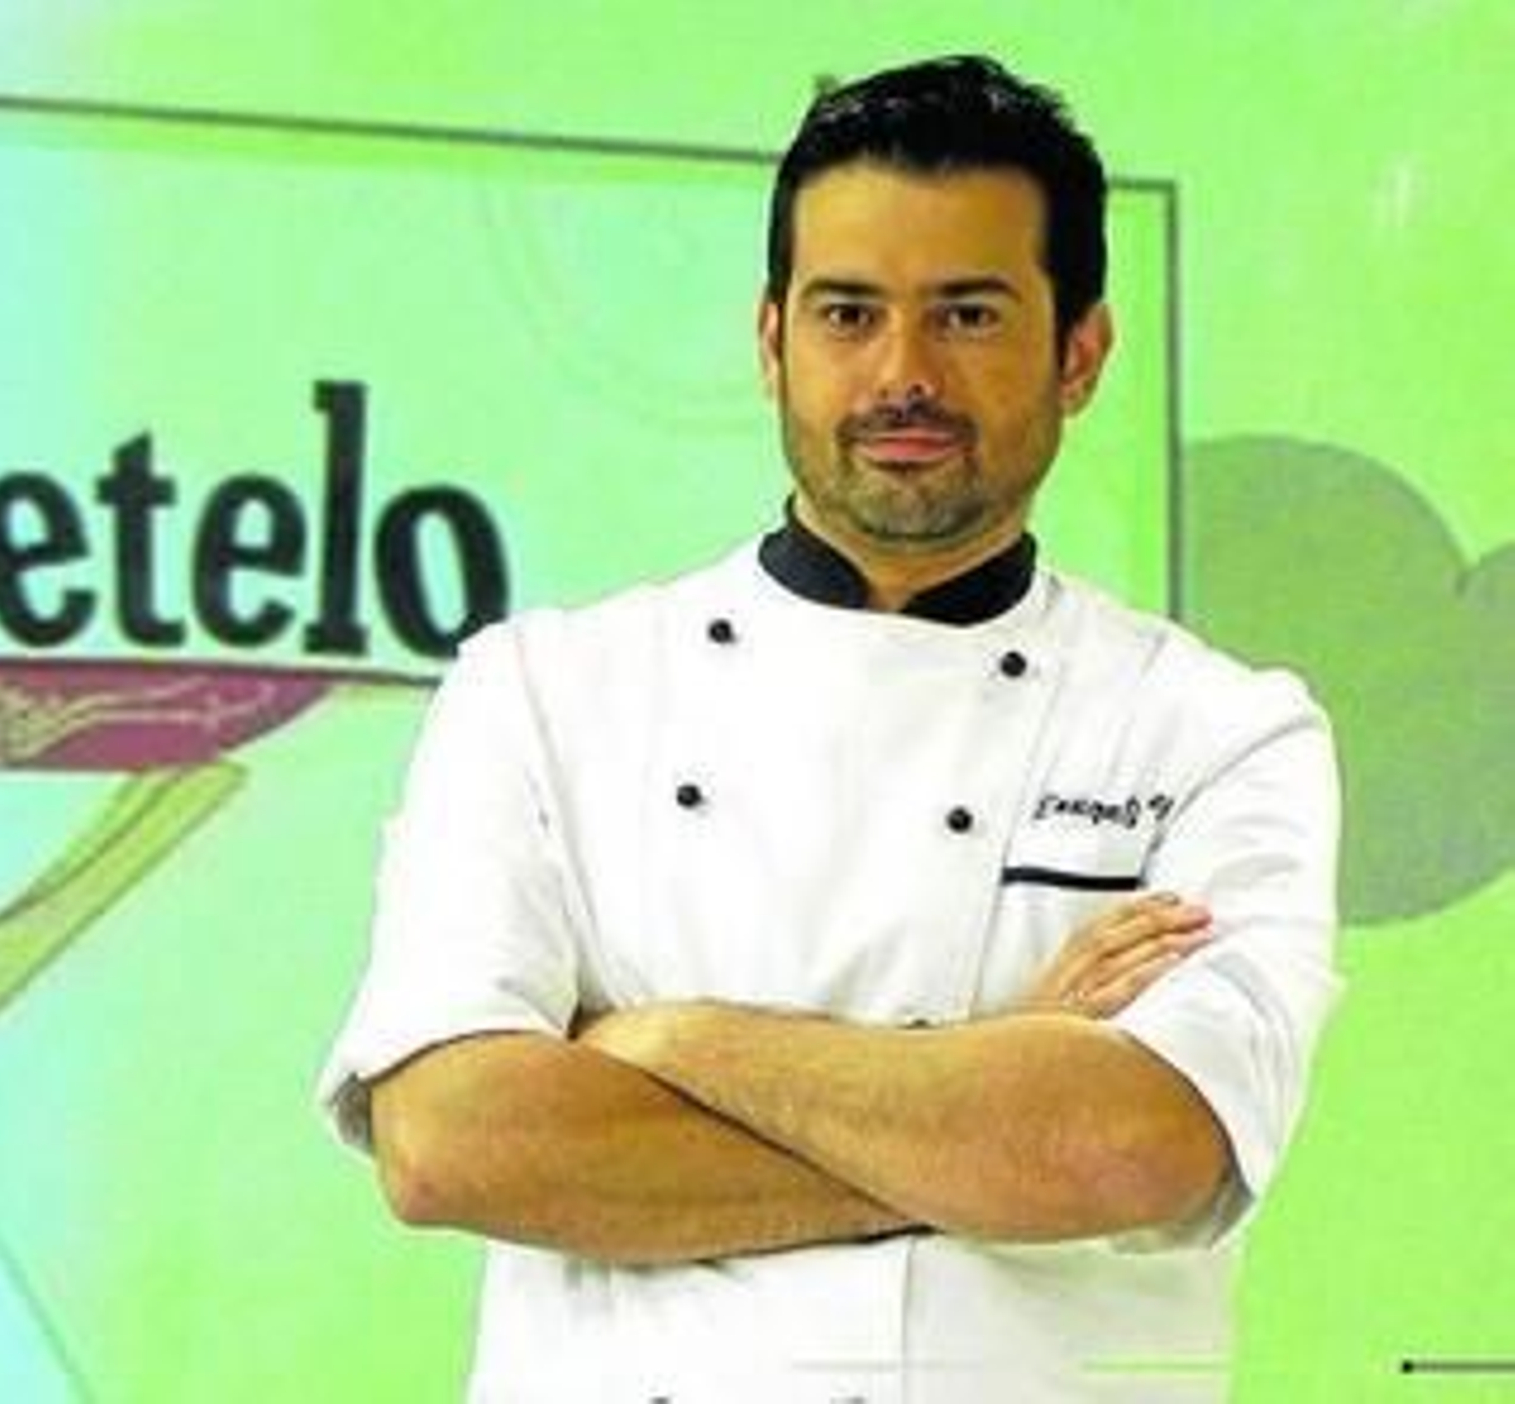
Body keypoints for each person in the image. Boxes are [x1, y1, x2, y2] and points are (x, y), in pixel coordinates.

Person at [320, 54, 1340, 1403]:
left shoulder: (1220, 732)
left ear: (1080, 352)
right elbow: (453, 1145)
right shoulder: (544, 692)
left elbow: (1134, 1148)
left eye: (968, 315)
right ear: (771, 341)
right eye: (849, 313)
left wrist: (666, 1044)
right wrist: (984, 1087)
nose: (902, 375)